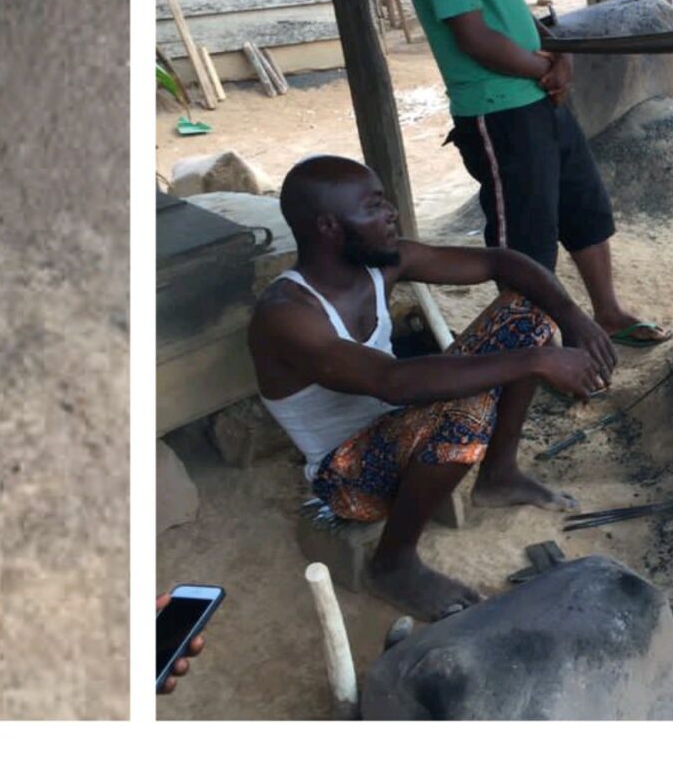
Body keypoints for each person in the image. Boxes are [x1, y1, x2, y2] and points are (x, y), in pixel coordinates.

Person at [248, 155, 614, 619]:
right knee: (464, 413)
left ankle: (498, 476)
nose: (391, 214)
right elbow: (392, 382)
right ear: (328, 227)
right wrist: (538, 361)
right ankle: (393, 563)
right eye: (374, 206)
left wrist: (574, 318)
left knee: (528, 316)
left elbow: (500, 262)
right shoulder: (287, 315)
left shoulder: (382, 265)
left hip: (398, 425)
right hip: (347, 475)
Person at [397, 0, 670, 350]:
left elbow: (504, 14)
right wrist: (544, 67)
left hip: (531, 93)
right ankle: (530, 347)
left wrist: (549, 48)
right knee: (525, 237)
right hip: (497, 108)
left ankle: (608, 312)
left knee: (583, 205)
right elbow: (471, 36)